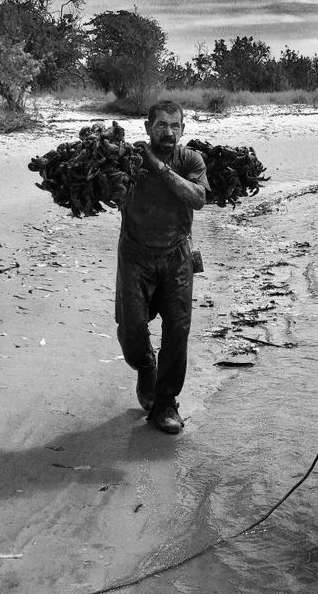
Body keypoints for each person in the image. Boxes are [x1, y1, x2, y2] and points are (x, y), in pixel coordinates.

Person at [115, 100, 208, 434]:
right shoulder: (130, 161)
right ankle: (145, 366)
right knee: (132, 329)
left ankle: (166, 403)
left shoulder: (191, 159)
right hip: (135, 254)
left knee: (178, 330)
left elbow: (198, 197)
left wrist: (159, 168)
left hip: (177, 255)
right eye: (161, 125)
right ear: (147, 127)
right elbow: (110, 191)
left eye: (175, 126)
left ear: (183, 129)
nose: (168, 132)